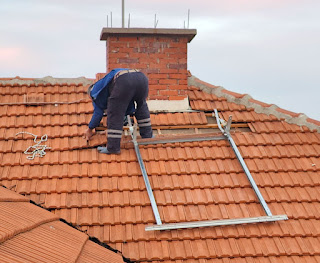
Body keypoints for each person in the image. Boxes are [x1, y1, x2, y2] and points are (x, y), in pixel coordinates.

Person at [84, 68, 153, 154]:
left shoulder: (94, 93)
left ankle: (113, 148)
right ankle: (148, 137)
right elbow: (127, 107)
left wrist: (90, 129)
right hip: (141, 78)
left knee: (114, 113)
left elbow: (98, 114)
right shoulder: (106, 83)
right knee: (141, 105)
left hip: (124, 81)